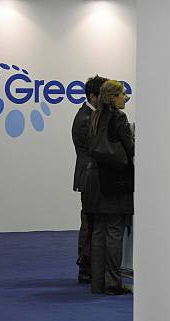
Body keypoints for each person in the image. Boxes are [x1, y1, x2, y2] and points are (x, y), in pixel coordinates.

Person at [83, 80, 134, 295]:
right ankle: (113, 282)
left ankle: (98, 282)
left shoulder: (94, 116)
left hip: (97, 180)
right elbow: (129, 147)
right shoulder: (118, 117)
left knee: (99, 231)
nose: (125, 97)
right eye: (122, 94)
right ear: (113, 97)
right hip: (116, 181)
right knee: (114, 231)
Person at [71, 75, 108, 283]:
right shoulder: (86, 119)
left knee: (91, 221)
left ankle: (89, 266)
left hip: (91, 175)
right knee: (89, 223)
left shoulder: (90, 115)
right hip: (90, 175)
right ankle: (85, 267)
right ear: (93, 96)